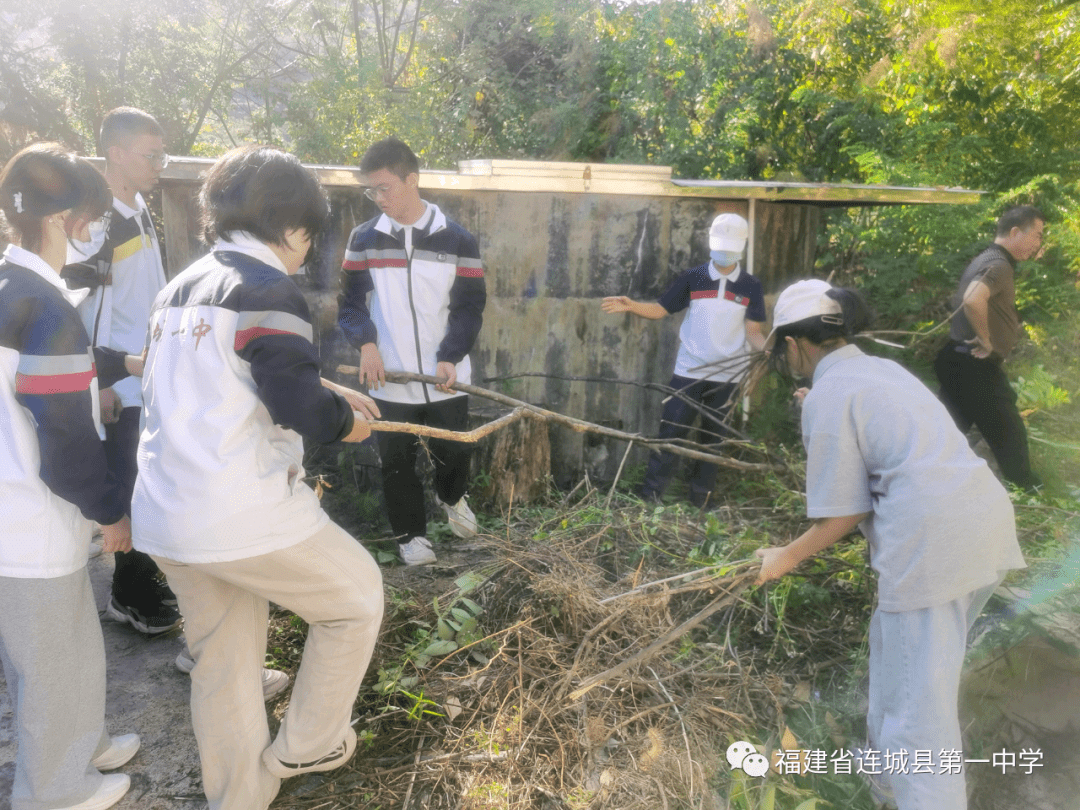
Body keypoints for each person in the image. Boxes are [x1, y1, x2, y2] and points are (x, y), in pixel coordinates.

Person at [130, 145, 385, 810]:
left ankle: (239, 798)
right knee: (356, 600)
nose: (306, 247)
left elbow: (222, 376)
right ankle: (311, 742)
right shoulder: (269, 288)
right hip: (238, 510)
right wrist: (344, 421)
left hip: (168, 512)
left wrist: (323, 391)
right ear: (290, 224)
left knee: (224, 665)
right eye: (309, 231)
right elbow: (298, 404)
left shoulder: (177, 289)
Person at [755, 279, 1026, 810]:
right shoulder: (878, 370)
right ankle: (884, 777)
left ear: (792, 345)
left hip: (935, 544)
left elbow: (844, 512)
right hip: (979, 525)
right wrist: (820, 404)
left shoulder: (832, 393)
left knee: (920, 714)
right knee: (899, 657)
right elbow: (885, 428)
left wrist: (782, 558)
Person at [0, 143, 143, 810]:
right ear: (62, 219)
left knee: (66, 644)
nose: (93, 231)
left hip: (18, 512)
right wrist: (109, 508)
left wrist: (121, 364)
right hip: (30, 513)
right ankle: (53, 789)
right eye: (89, 216)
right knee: (49, 661)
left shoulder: (17, 290)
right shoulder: (46, 307)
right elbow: (63, 433)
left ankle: (80, 743)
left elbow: (56, 370)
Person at [339, 137, 486, 566]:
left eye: (385, 188)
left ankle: (453, 498)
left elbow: (469, 305)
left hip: (447, 375)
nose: (378, 198)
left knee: (454, 452)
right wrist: (366, 343)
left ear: (412, 180)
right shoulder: (364, 238)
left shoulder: (458, 239)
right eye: (372, 190)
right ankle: (411, 537)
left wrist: (451, 355)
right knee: (396, 462)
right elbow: (349, 304)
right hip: (390, 376)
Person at [62, 106, 180, 635]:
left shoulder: (139, 208)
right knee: (131, 484)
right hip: (117, 378)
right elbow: (73, 305)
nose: (159, 163)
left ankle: (138, 584)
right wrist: (102, 378)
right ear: (115, 153)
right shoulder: (95, 220)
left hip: (146, 372)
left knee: (148, 480)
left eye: (161, 152)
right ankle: (130, 595)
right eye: (149, 154)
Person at [601, 212, 767, 507]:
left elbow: (753, 331)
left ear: (741, 246)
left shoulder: (751, 285)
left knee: (713, 441)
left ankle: (701, 502)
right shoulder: (694, 277)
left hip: (727, 377)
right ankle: (650, 498)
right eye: (720, 245)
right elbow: (662, 309)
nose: (724, 252)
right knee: (670, 436)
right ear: (712, 244)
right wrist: (631, 306)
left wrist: (764, 352)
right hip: (688, 371)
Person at [934, 205, 1045, 491]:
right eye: (1037, 235)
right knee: (1009, 432)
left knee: (945, 433)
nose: (1038, 244)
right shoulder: (998, 264)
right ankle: (1027, 493)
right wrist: (986, 339)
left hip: (959, 361)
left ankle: (924, 483)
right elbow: (973, 299)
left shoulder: (988, 258)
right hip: (973, 364)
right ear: (1015, 232)